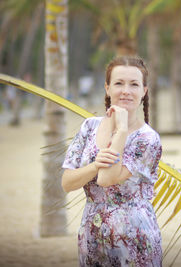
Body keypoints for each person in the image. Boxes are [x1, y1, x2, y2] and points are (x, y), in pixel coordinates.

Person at [61, 56, 163, 266]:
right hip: (91, 233)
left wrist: (122, 130)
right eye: (119, 83)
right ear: (107, 88)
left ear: (144, 91)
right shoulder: (89, 127)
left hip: (133, 235)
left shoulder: (147, 139)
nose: (126, 90)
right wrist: (96, 165)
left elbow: (107, 179)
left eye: (134, 84)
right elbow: (67, 182)